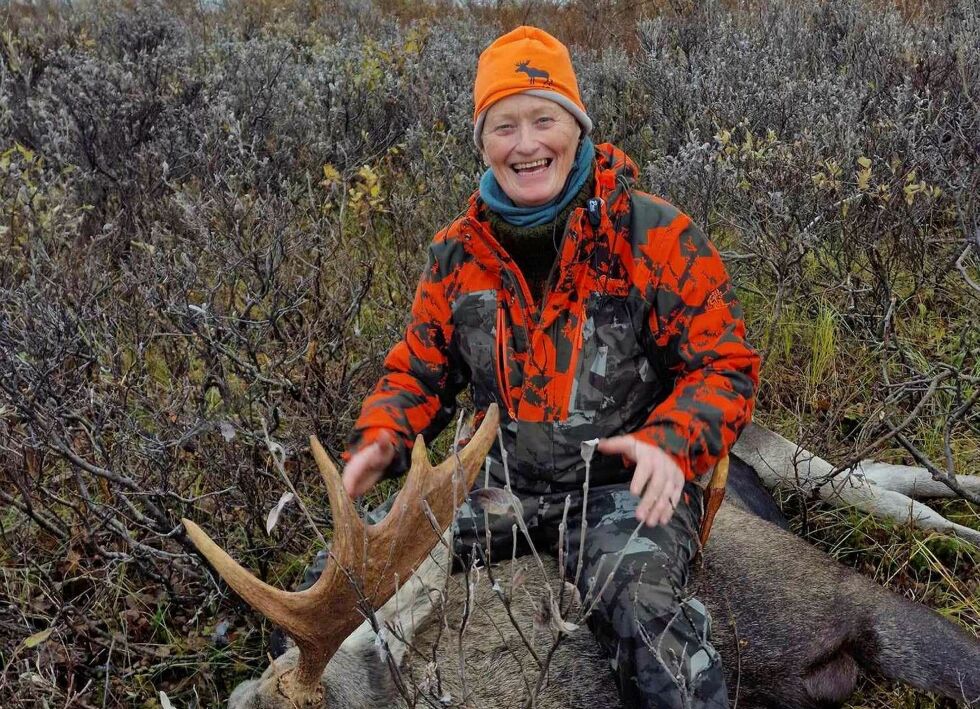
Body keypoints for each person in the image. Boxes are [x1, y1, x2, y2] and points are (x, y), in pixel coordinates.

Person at [335, 26, 759, 709]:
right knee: (346, 585)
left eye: (544, 119)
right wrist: (379, 441)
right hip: (502, 489)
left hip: (619, 489)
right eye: (504, 125)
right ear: (482, 142)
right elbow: (416, 373)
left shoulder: (652, 234)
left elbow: (725, 365)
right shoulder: (455, 255)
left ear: (577, 126)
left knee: (645, 618)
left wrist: (673, 443)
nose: (526, 144)